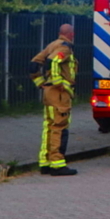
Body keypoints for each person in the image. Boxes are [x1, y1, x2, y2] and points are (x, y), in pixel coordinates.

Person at [30, 23, 78, 176]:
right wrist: (58, 82)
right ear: (71, 34)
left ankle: (45, 163)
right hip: (59, 95)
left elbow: (33, 65)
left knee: (48, 127)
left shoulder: (52, 44)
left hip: (48, 94)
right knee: (59, 127)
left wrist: (40, 83)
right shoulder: (65, 47)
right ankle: (57, 164)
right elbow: (54, 62)